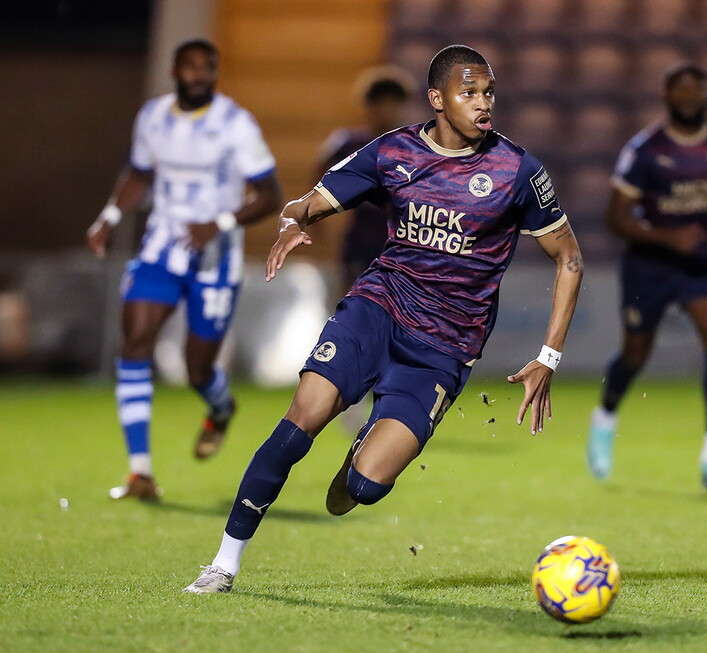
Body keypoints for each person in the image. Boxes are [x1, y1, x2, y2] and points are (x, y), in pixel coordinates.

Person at [183, 44, 583, 594]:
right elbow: (311, 200)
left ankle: (358, 460)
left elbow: (569, 258)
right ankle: (223, 564)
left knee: (368, 486)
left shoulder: (517, 170)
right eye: (469, 93)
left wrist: (548, 355)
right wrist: (293, 219)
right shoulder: (392, 152)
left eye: (489, 92)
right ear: (438, 99)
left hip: (445, 346)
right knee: (304, 415)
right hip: (377, 308)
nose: (483, 103)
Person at [86, 39, 281, 500]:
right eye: (190, 67)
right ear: (175, 70)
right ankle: (140, 473)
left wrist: (221, 223)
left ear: (215, 73)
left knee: (197, 370)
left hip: (216, 256)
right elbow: (138, 173)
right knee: (134, 342)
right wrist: (110, 217)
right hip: (162, 247)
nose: (198, 75)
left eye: (207, 68)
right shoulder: (152, 117)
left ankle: (220, 406)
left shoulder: (235, 124)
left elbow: (270, 195)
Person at [586, 62, 707, 490]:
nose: (689, 97)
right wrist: (670, 237)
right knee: (635, 354)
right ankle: (605, 416)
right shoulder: (646, 150)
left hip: (701, 262)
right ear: (667, 97)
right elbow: (615, 218)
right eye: (681, 90)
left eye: (697, 90)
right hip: (649, 263)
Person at [315, 67, 414, 435]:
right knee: (352, 328)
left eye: (394, 105)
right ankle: (347, 401)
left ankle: (381, 408)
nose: (387, 112)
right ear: (368, 107)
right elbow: (321, 178)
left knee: (394, 334)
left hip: (403, 254)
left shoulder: (413, 145)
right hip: (359, 250)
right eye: (381, 104)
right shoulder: (348, 143)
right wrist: (319, 226)